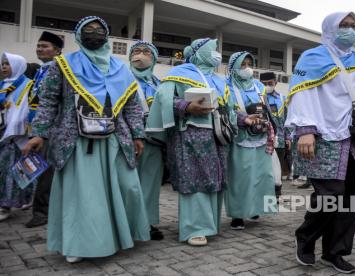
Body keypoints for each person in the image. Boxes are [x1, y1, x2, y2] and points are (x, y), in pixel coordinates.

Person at [22, 16, 150, 263]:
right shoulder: (62, 65)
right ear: (79, 35)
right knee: (84, 194)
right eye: (88, 30)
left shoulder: (119, 67)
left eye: (99, 30)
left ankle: (120, 235)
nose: (94, 34)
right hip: (77, 141)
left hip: (115, 139)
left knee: (127, 188)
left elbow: (132, 105)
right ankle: (79, 244)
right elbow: (48, 101)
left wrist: (137, 135)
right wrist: (39, 133)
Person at [287, 12, 355, 274]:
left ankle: (334, 252)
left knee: (350, 198)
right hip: (324, 135)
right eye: (345, 25)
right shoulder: (312, 57)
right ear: (330, 28)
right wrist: (305, 129)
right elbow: (301, 93)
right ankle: (305, 237)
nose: (350, 30)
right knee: (331, 195)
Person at [146, 38, 236, 246]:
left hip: (217, 137)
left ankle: (210, 224)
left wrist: (240, 119)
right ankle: (194, 229)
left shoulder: (219, 80)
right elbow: (164, 99)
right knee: (195, 179)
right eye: (212, 50)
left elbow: (230, 107)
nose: (216, 54)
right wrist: (186, 106)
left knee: (215, 177)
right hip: (190, 135)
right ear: (200, 52)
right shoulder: (179, 73)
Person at [224, 51, 276, 230]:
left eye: (248, 64)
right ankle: (238, 215)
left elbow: (265, 108)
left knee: (262, 175)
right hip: (240, 136)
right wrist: (243, 118)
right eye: (242, 65)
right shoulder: (225, 86)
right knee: (241, 176)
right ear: (233, 67)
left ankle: (255, 208)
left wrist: (269, 126)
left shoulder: (258, 86)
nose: (247, 68)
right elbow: (224, 110)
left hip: (260, 136)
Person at [26, 31, 64, 228]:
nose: (40, 49)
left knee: (45, 171)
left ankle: (42, 212)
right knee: (36, 168)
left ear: (57, 51)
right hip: (36, 125)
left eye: (45, 46)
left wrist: (42, 130)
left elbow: (50, 102)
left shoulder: (58, 70)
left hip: (51, 128)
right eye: (39, 46)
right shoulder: (42, 70)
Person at [129, 41, 164, 240]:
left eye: (146, 52)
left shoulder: (158, 83)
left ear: (153, 58)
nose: (140, 55)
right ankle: (127, 222)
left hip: (154, 140)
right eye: (136, 51)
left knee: (150, 183)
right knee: (128, 182)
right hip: (127, 139)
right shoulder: (122, 78)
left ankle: (147, 223)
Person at [0, 52, 34, 221]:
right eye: (3, 64)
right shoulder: (2, 84)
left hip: (15, 135)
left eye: (8, 64)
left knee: (13, 171)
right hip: (3, 132)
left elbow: (26, 110)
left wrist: (14, 128)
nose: (4, 67)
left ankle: (5, 206)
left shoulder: (28, 85)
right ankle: (24, 199)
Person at [260, 71, 291, 200]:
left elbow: (288, 119)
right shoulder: (258, 97)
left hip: (280, 139)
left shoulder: (282, 99)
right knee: (264, 168)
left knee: (278, 167)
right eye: (264, 84)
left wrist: (288, 138)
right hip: (263, 139)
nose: (267, 86)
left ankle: (277, 192)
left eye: (270, 83)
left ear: (276, 83)